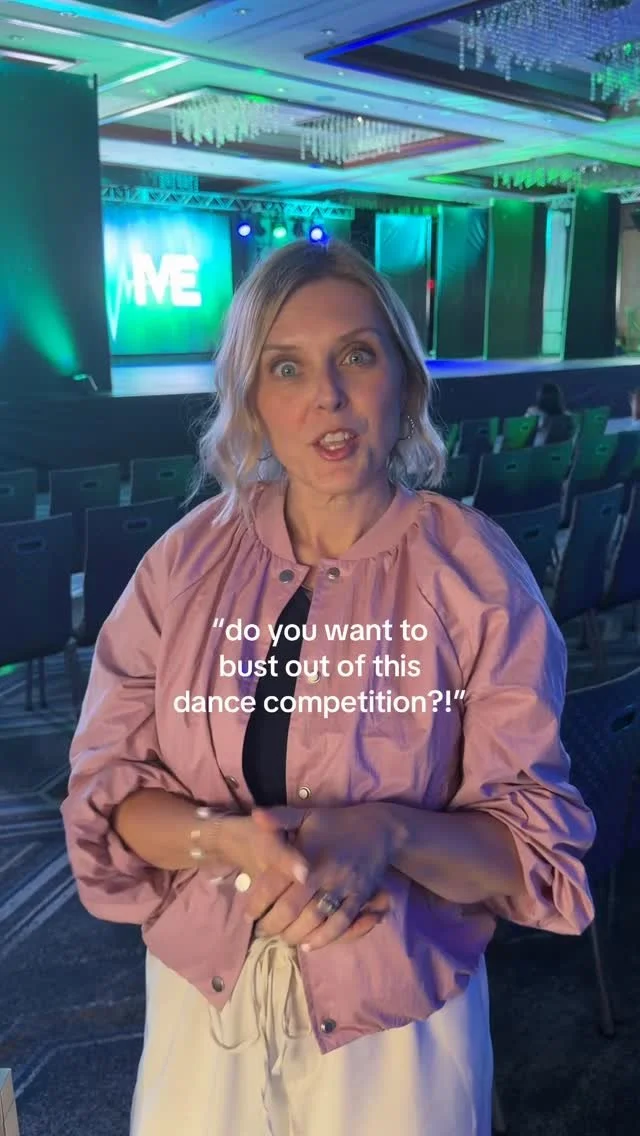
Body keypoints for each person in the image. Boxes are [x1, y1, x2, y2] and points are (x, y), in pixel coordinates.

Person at [61, 239, 596, 1136]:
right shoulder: (183, 563)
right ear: (251, 399)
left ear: (405, 381)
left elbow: (533, 855)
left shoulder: (475, 575)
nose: (328, 398)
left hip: (396, 1034)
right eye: (287, 368)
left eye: (356, 355)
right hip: (202, 1013)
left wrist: (388, 831)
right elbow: (108, 801)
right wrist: (221, 838)